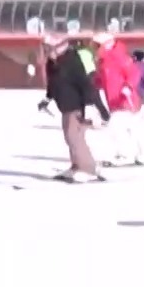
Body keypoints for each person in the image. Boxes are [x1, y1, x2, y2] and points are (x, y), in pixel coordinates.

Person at [44, 37, 106, 182]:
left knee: (75, 137)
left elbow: (85, 83)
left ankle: (88, 169)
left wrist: (90, 105)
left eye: (49, 48)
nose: (47, 51)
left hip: (76, 104)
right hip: (64, 105)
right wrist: (47, 98)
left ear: (59, 48)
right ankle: (76, 166)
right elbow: (53, 83)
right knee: (69, 137)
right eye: (46, 48)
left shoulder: (72, 60)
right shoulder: (53, 63)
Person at [95, 37, 144, 167]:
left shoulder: (119, 57)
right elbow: (105, 78)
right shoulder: (104, 60)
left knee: (116, 126)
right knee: (136, 127)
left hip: (125, 99)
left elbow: (134, 73)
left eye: (98, 45)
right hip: (114, 100)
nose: (96, 48)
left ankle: (126, 154)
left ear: (107, 44)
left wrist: (128, 86)